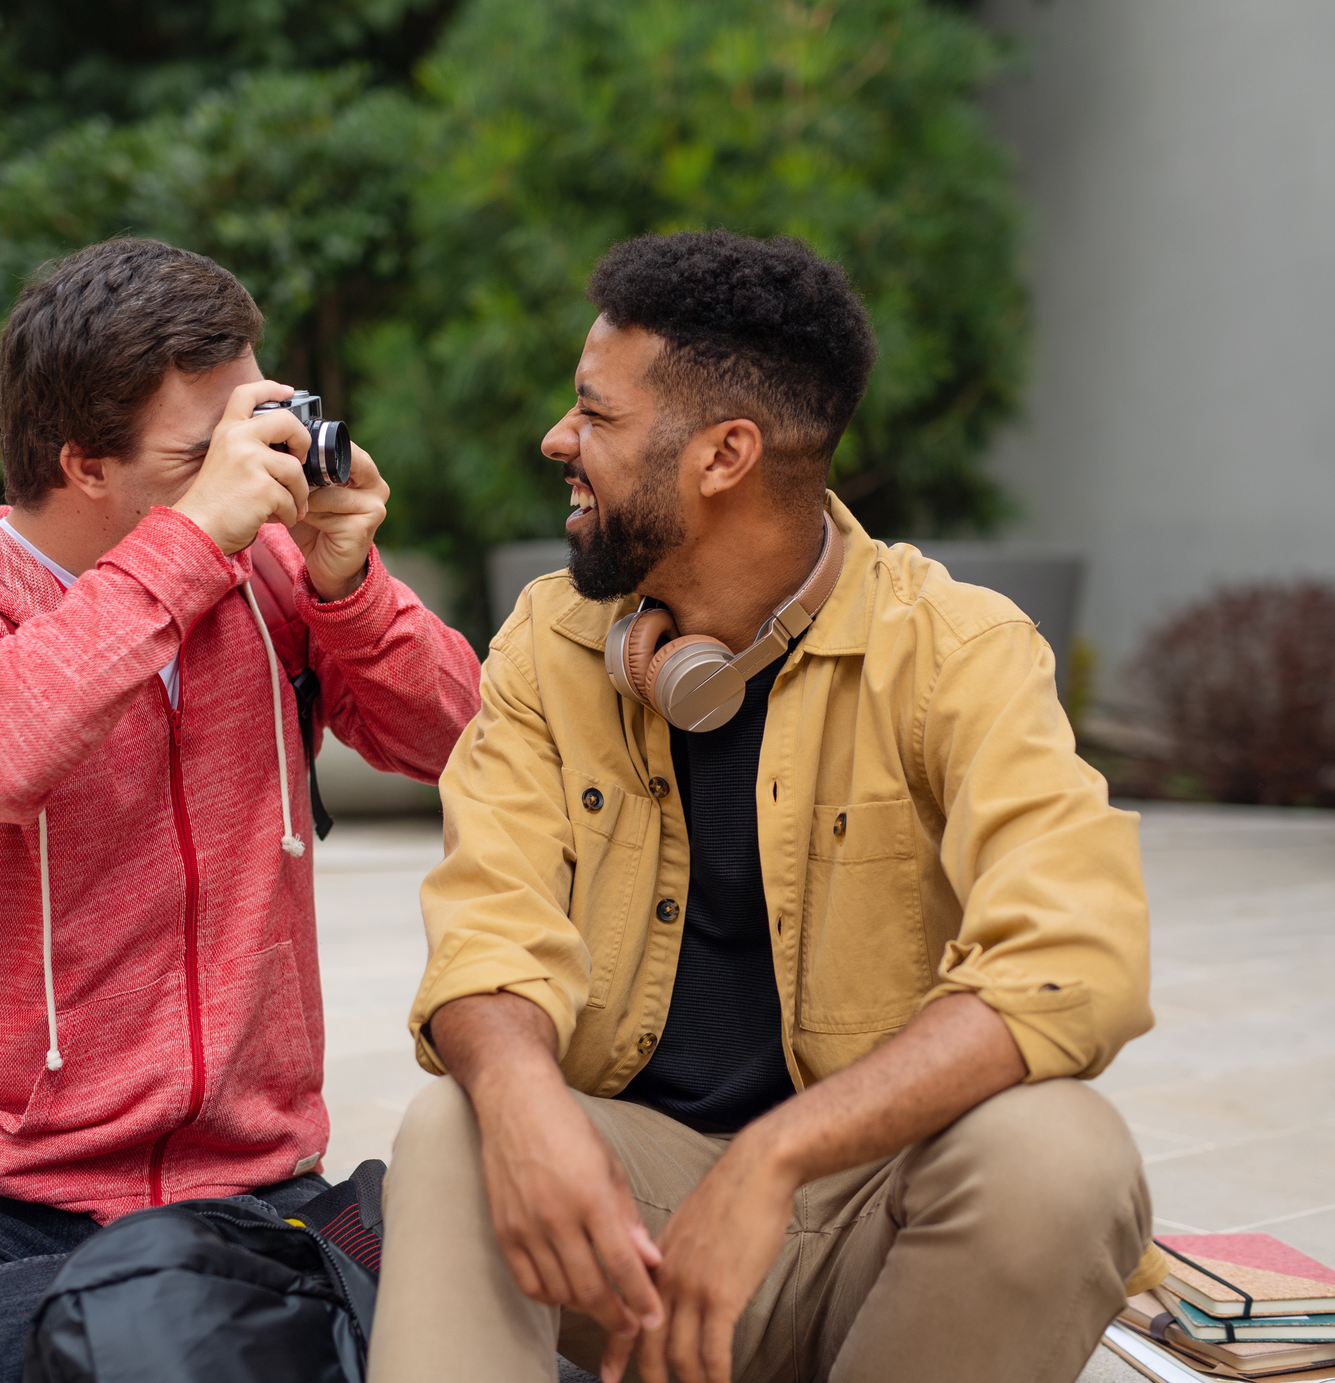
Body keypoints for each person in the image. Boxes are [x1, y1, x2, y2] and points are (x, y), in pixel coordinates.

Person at [369, 230, 1163, 1383]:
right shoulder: (550, 642)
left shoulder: (958, 651)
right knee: (457, 1125)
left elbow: (1076, 960)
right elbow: (489, 925)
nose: (559, 439)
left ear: (724, 454)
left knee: (1065, 1154)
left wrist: (777, 1157)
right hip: (627, 1233)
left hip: (867, 1226)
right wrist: (525, 1099)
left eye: (595, 413)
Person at [0, 237, 482, 1383]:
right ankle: (237, 1314)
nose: (257, 473)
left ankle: (190, 1316)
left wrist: (347, 582)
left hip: (246, 1178)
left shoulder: (279, 573)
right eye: (208, 453)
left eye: (262, 426)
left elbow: (466, 741)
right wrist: (187, 550)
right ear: (85, 465)